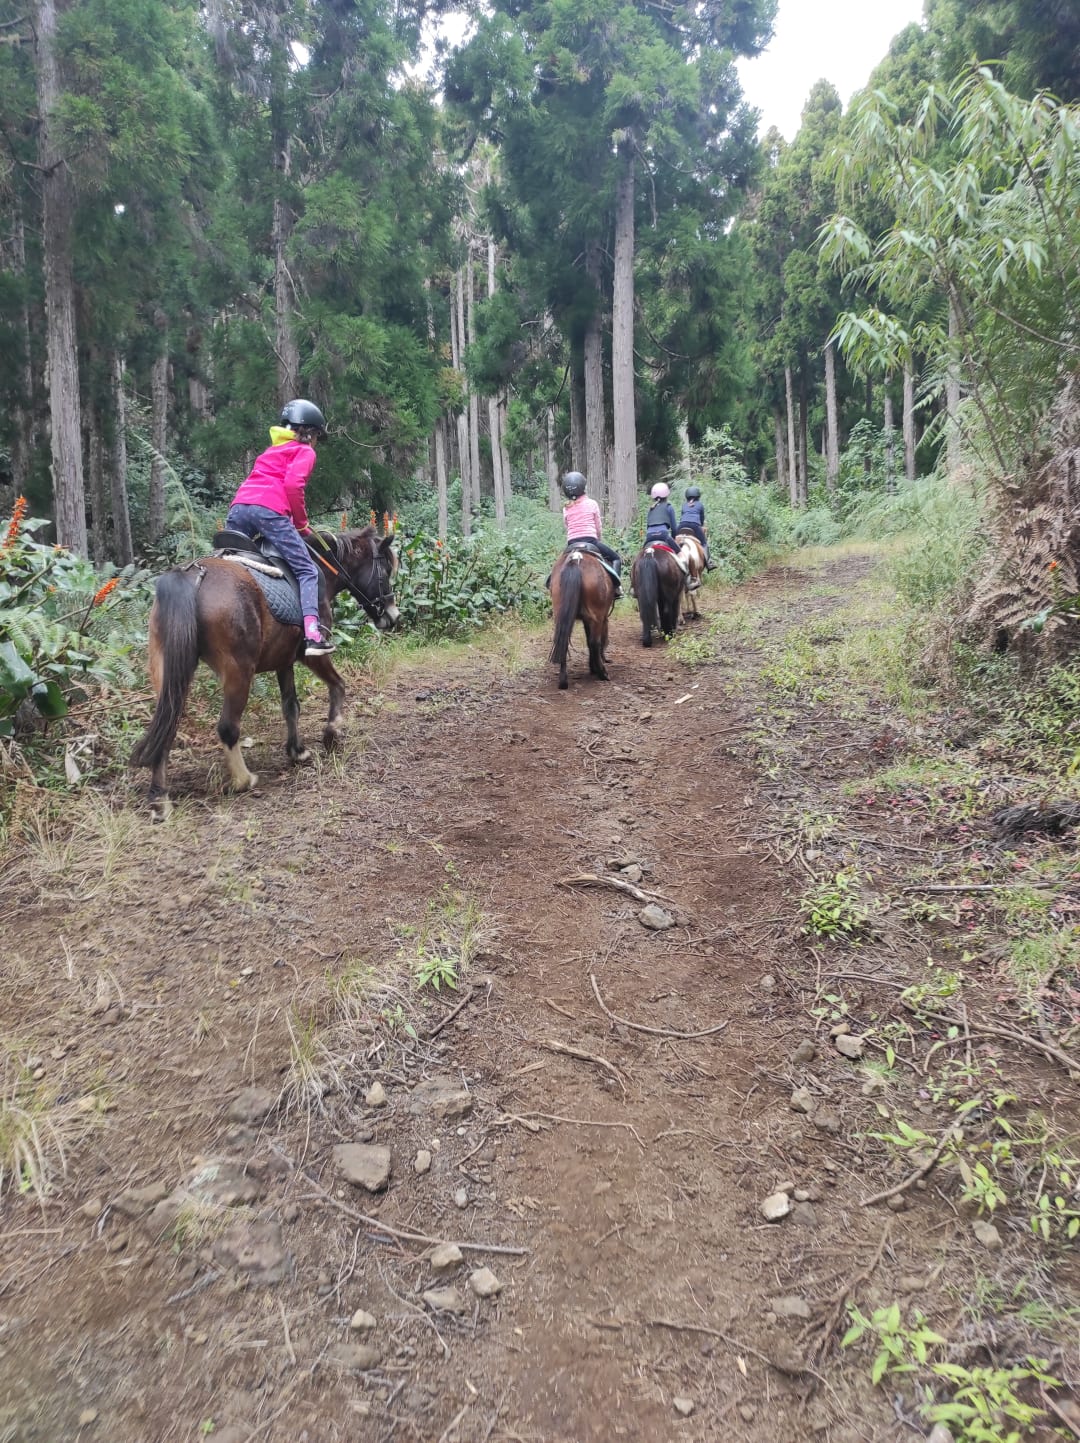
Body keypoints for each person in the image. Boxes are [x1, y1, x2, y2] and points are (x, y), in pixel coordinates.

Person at [225, 399, 334, 655]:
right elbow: (293, 486)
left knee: (230, 562)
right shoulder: (305, 451)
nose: (316, 440)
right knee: (307, 570)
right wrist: (301, 523)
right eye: (316, 434)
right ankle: (312, 635)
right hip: (269, 511)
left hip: (239, 508)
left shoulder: (270, 451)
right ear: (309, 432)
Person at [560, 471, 623, 596]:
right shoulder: (592, 503)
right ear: (583, 487)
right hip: (590, 541)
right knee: (616, 558)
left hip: (572, 544)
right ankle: (616, 588)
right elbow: (598, 527)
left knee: (559, 565)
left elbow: (567, 526)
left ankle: (553, 586)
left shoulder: (566, 508)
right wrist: (598, 539)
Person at [643, 482, 688, 573]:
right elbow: (674, 528)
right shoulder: (669, 507)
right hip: (663, 535)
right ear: (666, 495)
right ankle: (687, 578)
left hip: (649, 537)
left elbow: (648, 527)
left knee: (641, 555)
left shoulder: (651, 509)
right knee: (681, 554)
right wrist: (674, 538)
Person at [677, 485, 717, 570]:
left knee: (674, 540)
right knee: (704, 543)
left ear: (687, 496)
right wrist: (701, 525)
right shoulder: (700, 505)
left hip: (682, 525)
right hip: (695, 525)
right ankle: (709, 562)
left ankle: (673, 556)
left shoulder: (684, 505)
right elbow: (702, 518)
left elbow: (682, 516)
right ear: (698, 496)